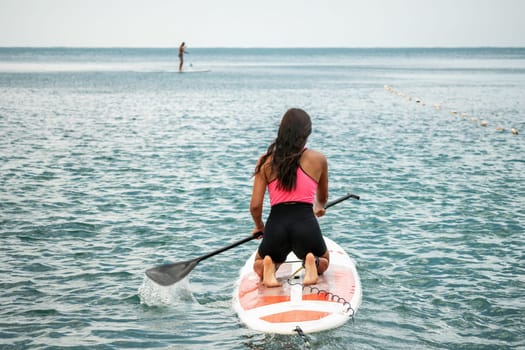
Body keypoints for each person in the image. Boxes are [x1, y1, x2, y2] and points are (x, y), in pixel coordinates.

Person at [250, 108, 330, 287]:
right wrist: (318, 207)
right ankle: (312, 263)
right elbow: (322, 198)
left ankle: (268, 268)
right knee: (324, 259)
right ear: (307, 133)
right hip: (305, 224)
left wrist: (259, 226)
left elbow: (255, 206)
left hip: (276, 226)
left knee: (258, 262)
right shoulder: (318, 159)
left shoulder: (265, 161)